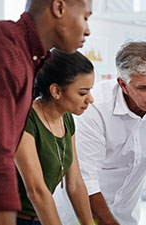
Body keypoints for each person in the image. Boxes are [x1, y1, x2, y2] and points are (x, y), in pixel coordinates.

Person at [0, 0, 92, 224]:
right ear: (59, 8)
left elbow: (75, 183)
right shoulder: (4, 49)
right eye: (85, 17)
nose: (88, 30)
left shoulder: (28, 60)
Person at [71, 41, 146, 225]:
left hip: (126, 216)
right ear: (123, 85)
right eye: (144, 87)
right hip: (77, 215)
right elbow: (86, 179)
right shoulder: (94, 107)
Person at [15, 50, 95, 225]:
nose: (91, 99)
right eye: (83, 93)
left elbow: (75, 183)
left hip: (39, 218)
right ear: (56, 91)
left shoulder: (66, 119)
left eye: (90, 91)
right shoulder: (24, 120)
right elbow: (36, 190)